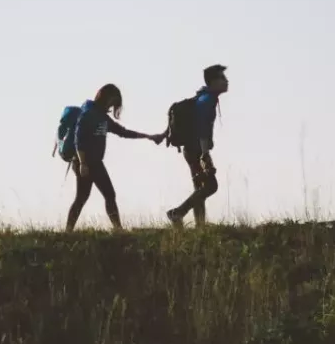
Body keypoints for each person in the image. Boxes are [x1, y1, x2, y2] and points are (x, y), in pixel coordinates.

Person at [67, 83, 164, 232]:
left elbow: (122, 132)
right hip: (85, 162)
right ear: (106, 97)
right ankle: (70, 232)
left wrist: (148, 137)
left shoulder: (102, 117)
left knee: (100, 196)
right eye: (113, 101)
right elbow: (78, 139)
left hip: (95, 163)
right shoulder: (89, 113)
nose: (113, 106)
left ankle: (117, 230)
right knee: (91, 197)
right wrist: (82, 163)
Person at [166, 64, 229, 228]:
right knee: (210, 186)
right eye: (222, 78)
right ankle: (177, 213)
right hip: (196, 149)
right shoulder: (207, 100)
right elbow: (202, 127)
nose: (226, 81)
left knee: (199, 187)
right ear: (213, 82)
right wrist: (205, 153)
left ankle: (200, 225)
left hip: (191, 148)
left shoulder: (204, 98)